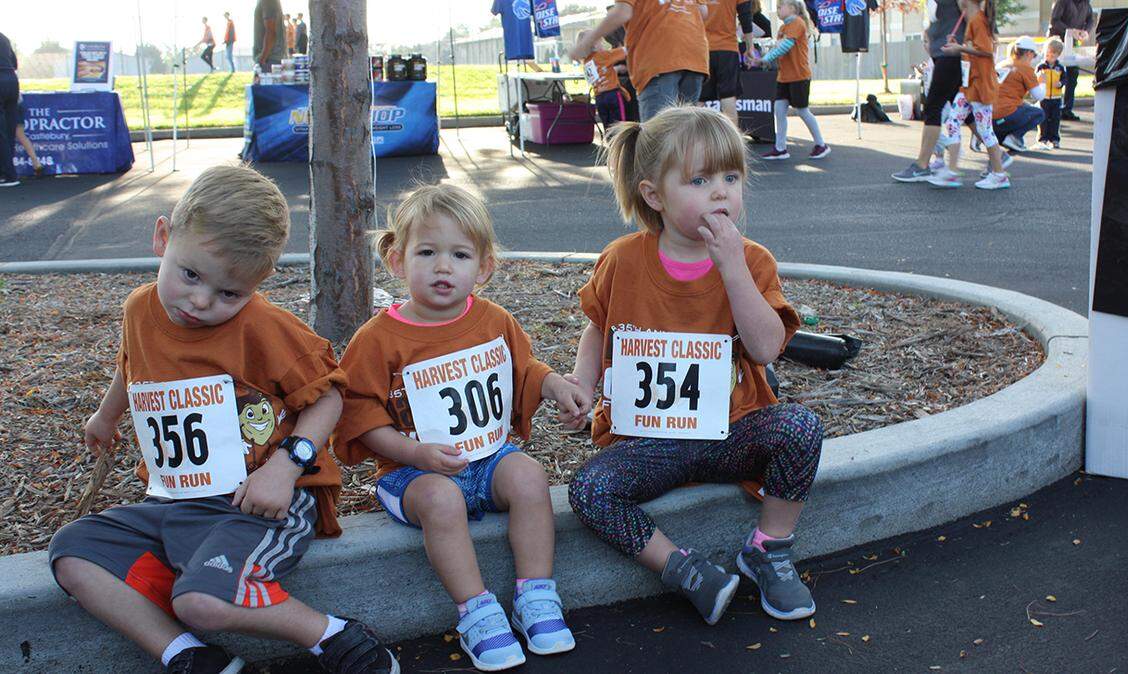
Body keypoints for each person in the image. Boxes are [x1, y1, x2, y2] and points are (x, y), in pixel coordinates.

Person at [46, 166, 400, 674]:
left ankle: (332, 635)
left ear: (257, 284)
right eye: (190, 274)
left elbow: (328, 397)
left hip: (253, 501)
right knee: (74, 551)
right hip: (175, 498)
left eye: (229, 293)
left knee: (201, 603)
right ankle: (188, 656)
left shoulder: (264, 327)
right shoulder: (140, 309)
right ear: (163, 236)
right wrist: (106, 415)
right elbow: (132, 365)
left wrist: (286, 467)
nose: (201, 301)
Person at [567, 106, 824, 626]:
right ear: (654, 195)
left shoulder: (752, 260)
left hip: (730, 431)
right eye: (700, 180)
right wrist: (581, 382)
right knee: (589, 489)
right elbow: (599, 324)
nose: (720, 192)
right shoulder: (622, 259)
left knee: (801, 428)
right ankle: (683, 569)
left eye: (731, 177)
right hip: (649, 442)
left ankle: (768, 549)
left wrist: (731, 268)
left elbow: (767, 347)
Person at [334, 184, 587, 671]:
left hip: (487, 456)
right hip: (412, 473)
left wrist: (555, 385)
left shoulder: (494, 320)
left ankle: (535, 593)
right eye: (426, 252)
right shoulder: (379, 339)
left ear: (484, 266)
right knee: (441, 499)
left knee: (531, 477)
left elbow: (523, 369)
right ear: (396, 260)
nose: (443, 267)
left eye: (459, 254)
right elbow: (359, 415)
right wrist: (414, 455)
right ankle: (477, 610)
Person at [568, 1, 710, 121]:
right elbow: (703, 12)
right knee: (684, 131)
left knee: (655, 137)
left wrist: (587, 42)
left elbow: (622, 12)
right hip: (694, 55)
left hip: (658, 56)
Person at [931, 0, 1010, 190]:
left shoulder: (978, 21)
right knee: (952, 122)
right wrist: (959, 46)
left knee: (985, 130)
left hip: (980, 85)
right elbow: (978, 49)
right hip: (969, 85)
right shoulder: (976, 21)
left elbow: (986, 51)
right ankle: (952, 171)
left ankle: (999, 174)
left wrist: (960, 48)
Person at [891, 0, 965, 183]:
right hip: (945, 54)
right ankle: (997, 158)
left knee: (933, 108)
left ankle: (923, 165)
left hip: (949, 54)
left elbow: (971, 11)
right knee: (965, 111)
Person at [753, 0, 829, 160]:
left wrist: (764, 59)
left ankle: (821, 145)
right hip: (785, 76)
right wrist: (760, 59)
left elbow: (784, 47)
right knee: (779, 110)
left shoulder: (797, 23)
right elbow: (778, 47)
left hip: (799, 76)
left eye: (781, 7)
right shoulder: (782, 27)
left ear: (793, 8)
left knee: (802, 110)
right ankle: (780, 148)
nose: (778, 10)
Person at [700, 0, 754, 127]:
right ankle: (732, 143)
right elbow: (745, 16)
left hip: (703, 48)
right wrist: (749, 46)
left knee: (699, 99)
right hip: (727, 49)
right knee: (728, 96)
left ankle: (693, 142)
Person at [989, 36, 1045, 154]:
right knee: (1038, 113)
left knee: (1024, 107)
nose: (1033, 59)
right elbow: (1038, 96)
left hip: (989, 117)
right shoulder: (1025, 69)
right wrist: (1042, 81)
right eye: (1033, 55)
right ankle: (1014, 137)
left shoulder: (1003, 64)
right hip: (1005, 115)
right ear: (1029, 53)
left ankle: (1002, 139)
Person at [1047, 0, 1095, 121]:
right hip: (1056, 42)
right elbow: (1054, 20)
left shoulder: (1086, 4)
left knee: (1072, 75)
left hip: (1073, 43)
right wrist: (1070, 30)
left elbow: (1090, 20)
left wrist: (1085, 31)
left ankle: (1067, 109)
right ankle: (1048, 108)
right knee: (1052, 74)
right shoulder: (1062, 2)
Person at [580, 30, 634, 129]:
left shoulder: (586, 62)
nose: (603, 45)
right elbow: (625, 51)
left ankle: (610, 143)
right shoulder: (604, 55)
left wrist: (615, 69)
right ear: (594, 45)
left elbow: (600, 72)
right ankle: (621, 143)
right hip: (612, 95)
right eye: (600, 42)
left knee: (607, 126)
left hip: (599, 98)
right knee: (620, 125)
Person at [1036, 37, 1067, 150]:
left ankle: (1054, 139)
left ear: (1058, 55)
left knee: (1055, 119)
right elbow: (1036, 79)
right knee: (1043, 118)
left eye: (1053, 55)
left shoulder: (1060, 68)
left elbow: (1065, 79)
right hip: (1044, 97)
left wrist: (1061, 83)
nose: (1050, 57)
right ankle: (1042, 138)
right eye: (1048, 54)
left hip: (1056, 97)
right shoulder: (1041, 66)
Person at [0, 31, 21, 188]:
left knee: (1, 133)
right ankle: (8, 172)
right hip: (12, 81)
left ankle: (8, 174)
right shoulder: (4, 37)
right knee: (9, 130)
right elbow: (15, 63)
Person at [15, 96, 45, 177]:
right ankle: (36, 163)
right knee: (21, 135)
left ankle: (36, 163)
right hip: (15, 101)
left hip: (9, 105)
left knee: (18, 135)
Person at [254, 0, 287, 72]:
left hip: (270, 61)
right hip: (270, 60)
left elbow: (271, 32)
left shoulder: (268, 1)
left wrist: (262, 60)